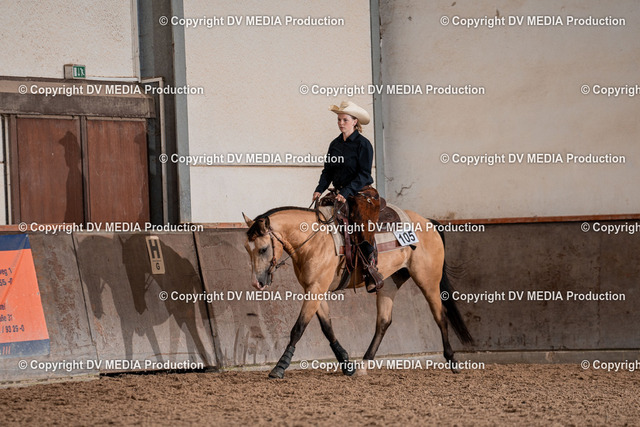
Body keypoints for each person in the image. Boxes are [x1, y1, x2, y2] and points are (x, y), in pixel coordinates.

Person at [313, 101, 383, 293]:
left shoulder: (363, 145)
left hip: (361, 191)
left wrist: (346, 192)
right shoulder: (335, 145)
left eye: (345, 120)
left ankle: (369, 268)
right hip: (340, 191)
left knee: (360, 220)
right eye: (339, 120)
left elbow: (364, 174)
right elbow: (327, 171)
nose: (341, 123)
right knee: (321, 212)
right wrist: (319, 189)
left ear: (355, 122)